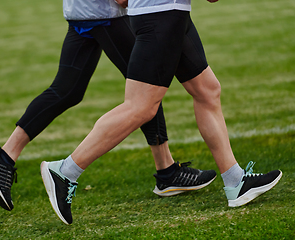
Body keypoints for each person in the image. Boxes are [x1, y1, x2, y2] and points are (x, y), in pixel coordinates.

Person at [37, 0, 283, 225]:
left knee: (207, 90)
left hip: (167, 14)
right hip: (162, 15)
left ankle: (235, 182)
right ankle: (65, 171)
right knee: (140, 106)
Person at [0, 0, 218, 219]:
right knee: (146, 92)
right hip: (106, 13)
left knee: (67, 90)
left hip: (82, 11)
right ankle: (166, 172)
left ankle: (5, 156)